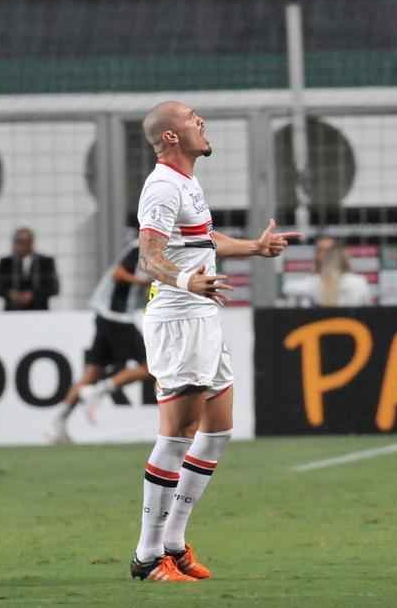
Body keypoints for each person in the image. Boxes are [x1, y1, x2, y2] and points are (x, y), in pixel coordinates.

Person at [130, 101, 299, 582]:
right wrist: (186, 282)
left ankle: (174, 543)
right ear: (169, 137)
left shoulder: (186, 182)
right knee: (177, 435)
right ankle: (147, 557)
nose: (199, 121)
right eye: (188, 117)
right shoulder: (161, 186)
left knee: (218, 430)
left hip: (203, 314)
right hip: (179, 316)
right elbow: (150, 256)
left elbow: (201, 238)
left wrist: (254, 248)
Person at [46, 238, 153, 444]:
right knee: (149, 367)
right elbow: (118, 274)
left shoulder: (148, 247)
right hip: (117, 316)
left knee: (92, 372)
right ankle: (99, 390)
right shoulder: (141, 246)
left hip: (106, 315)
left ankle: (57, 423)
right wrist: (142, 282)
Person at [283, 238, 373, 306]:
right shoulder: (308, 285)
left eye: (328, 251)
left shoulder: (358, 283)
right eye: (320, 251)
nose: (325, 255)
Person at [0, 228, 59, 311]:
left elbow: (53, 288)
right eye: (17, 241)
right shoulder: (6, 263)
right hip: (13, 312)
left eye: (23, 241)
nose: (20, 245)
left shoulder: (45, 262)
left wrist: (33, 295)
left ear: (31, 242)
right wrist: (11, 294)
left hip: (39, 312)